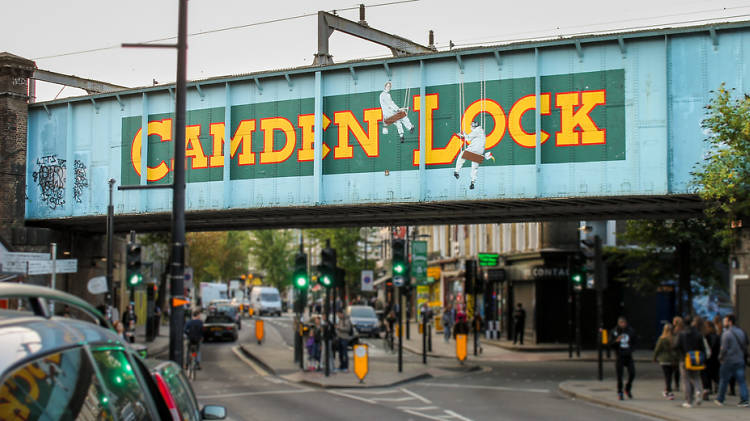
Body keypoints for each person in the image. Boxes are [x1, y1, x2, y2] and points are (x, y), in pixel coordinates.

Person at [714, 314, 749, 407]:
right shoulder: (741, 332)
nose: (724, 323)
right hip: (740, 359)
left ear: (730, 322)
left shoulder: (726, 334)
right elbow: (745, 345)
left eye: (725, 321)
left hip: (728, 360)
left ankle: (720, 399)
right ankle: (745, 400)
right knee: (742, 381)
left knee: (724, 380)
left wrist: (720, 357)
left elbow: (723, 349)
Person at [453, 120, 494, 190]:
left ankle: (456, 171)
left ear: (474, 126)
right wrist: (463, 136)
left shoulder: (477, 130)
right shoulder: (480, 131)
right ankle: (472, 182)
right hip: (480, 152)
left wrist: (464, 134)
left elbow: (468, 138)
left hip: (474, 149)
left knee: (462, 156)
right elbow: (471, 137)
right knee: (474, 167)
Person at [674, 316, 705, 408]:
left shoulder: (681, 334)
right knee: (696, 377)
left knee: (686, 379)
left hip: (685, 358)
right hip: (696, 358)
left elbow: (675, 346)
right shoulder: (698, 334)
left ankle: (688, 401)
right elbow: (702, 347)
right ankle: (698, 391)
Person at [611, 316, 636, 400]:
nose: (623, 324)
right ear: (618, 323)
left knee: (632, 373)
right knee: (619, 376)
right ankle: (620, 392)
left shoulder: (630, 331)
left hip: (628, 355)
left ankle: (627, 388)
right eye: (621, 323)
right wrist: (616, 341)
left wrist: (631, 349)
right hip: (619, 356)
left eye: (624, 323)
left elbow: (634, 341)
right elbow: (610, 344)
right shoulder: (614, 331)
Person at [654, 323, 678, 400]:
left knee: (667, 376)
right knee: (670, 375)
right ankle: (667, 390)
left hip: (664, 360)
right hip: (673, 360)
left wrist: (655, 357)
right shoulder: (674, 338)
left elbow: (657, 349)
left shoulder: (662, 338)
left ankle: (669, 391)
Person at [702, 320, 721, 400]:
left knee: (706, 375)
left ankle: (707, 390)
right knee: (715, 375)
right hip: (716, 359)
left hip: (708, 359)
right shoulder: (717, 335)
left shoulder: (706, 336)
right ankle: (716, 388)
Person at [671, 316, 684, 392]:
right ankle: (677, 384)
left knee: (675, 369)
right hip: (681, 351)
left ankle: (676, 384)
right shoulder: (683, 329)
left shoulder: (674, 331)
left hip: (676, 352)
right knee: (677, 370)